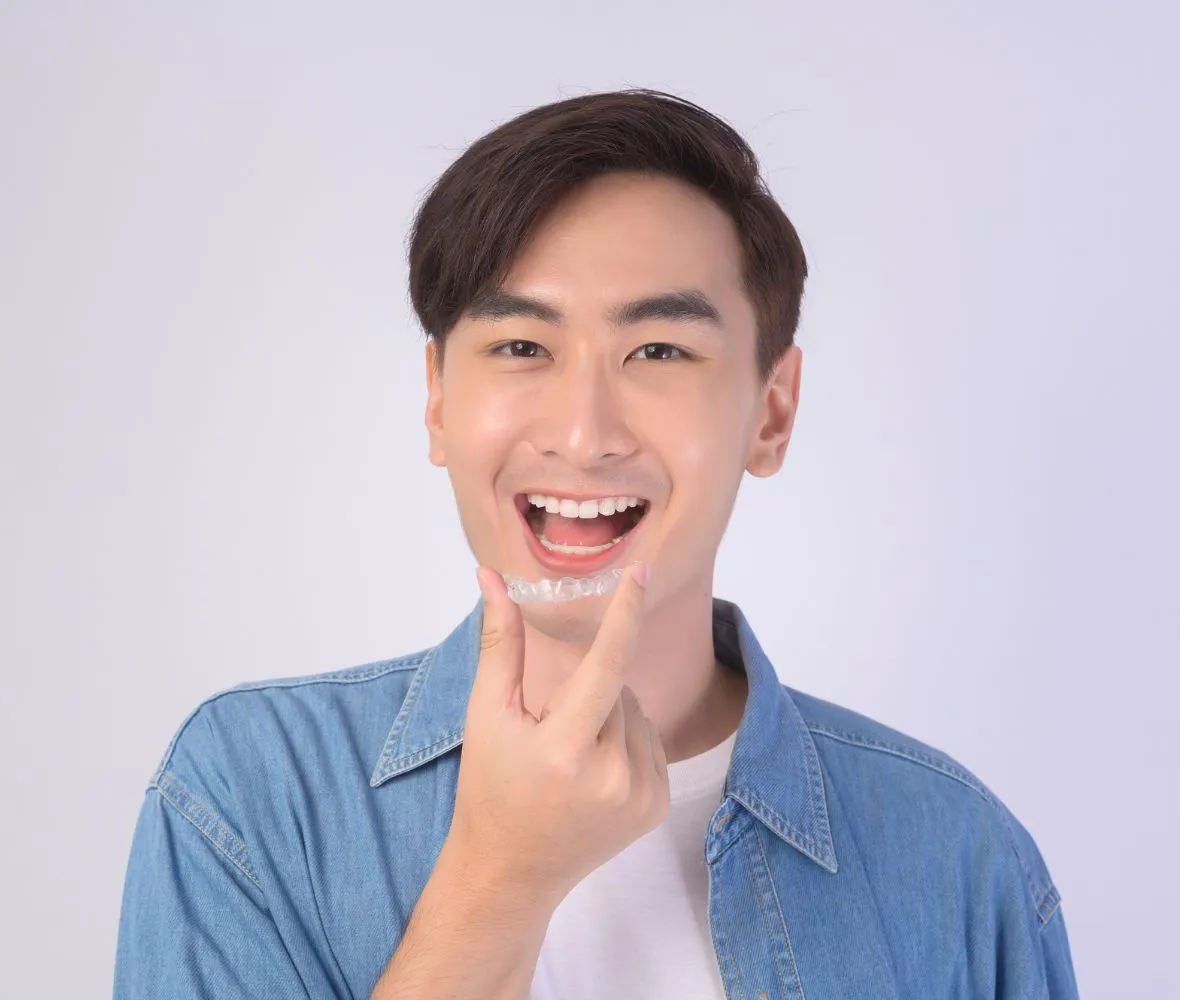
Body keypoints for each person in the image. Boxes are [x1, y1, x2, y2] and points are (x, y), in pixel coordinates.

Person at [112, 89, 1079, 999]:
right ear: (440, 402)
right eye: (522, 348)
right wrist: (501, 876)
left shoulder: (955, 855)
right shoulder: (250, 794)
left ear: (771, 413)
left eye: (658, 351)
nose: (583, 434)